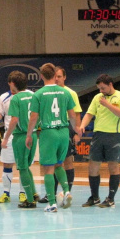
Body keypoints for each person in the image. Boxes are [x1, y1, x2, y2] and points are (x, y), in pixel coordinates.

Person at [25, 63, 80, 213]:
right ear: (55, 76)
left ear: (41, 76)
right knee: (59, 165)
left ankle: (52, 203)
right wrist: (76, 129)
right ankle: (67, 191)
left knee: (48, 168)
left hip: (49, 133)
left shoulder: (38, 94)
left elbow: (34, 117)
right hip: (63, 131)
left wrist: (29, 134)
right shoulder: (65, 92)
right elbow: (72, 115)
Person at [79, 74, 120, 208]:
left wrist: (108, 105)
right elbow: (89, 113)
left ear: (110, 84)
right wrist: (82, 125)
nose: (101, 91)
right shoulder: (97, 97)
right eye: (99, 88)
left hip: (114, 135)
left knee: (113, 166)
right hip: (98, 135)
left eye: (103, 88)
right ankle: (94, 197)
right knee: (93, 166)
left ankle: (111, 198)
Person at [38, 66, 82, 204]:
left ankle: (64, 193)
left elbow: (76, 113)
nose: (57, 78)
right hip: (61, 130)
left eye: (59, 76)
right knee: (56, 163)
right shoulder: (53, 92)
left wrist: (76, 131)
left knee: (64, 162)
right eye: (55, 76)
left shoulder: (69, 92)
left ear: (64, 77)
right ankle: (54, 192)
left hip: (63, 128)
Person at [1, 71, 40, 208]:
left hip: (21, 136)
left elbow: (14, 120)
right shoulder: (33, 95)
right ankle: (34, 192)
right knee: (27, 166)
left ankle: (30, 200)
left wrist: (5, 138)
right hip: (33, 134)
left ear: (12, 83)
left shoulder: (16, 99)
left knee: (22, 167)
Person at [0, 72, 28, 203]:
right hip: (10, 133)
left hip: (23, 134)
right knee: (7, 164)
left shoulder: (29, 95)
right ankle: (6, 193)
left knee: (23, 166)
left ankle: (23, 193)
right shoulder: (4, 97)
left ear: (12, 83)